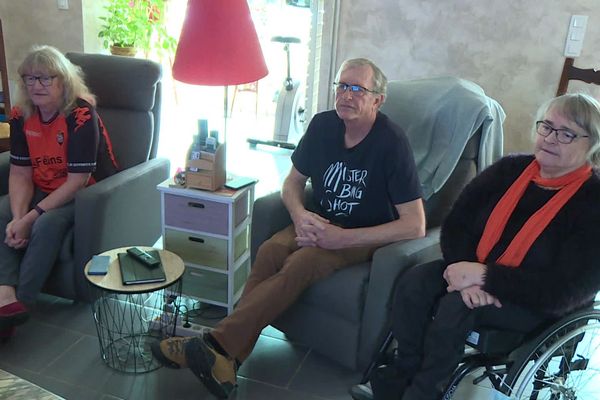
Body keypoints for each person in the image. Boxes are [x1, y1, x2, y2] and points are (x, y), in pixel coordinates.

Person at [151, 58, 427, 398]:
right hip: (317, 220)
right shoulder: (323, 126)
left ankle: (214, 343)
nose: (346, 95)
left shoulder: (391, 143)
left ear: (377, 100)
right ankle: (225, 360)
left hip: (362, 234)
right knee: (270, 251)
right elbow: (292, 183)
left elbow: (415, 225)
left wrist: (341, 238)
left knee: (302, 263)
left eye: (358, 89)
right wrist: (299, 216)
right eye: (341, 86)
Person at [351, 92, 600, 400]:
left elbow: (564, 291)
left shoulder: (593, 201)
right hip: (475, 270)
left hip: (536, 301)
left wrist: (484, 277)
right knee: (415, 283)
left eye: (567, 134)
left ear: (592, 144)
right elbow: (457, 225)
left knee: (457, 307)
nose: (550, 138)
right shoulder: (509, 170)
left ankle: (424, 391)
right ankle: (402, 373)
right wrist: (463, 270)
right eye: (547, 127)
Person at [0, 45, 118, 339]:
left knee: (46, 223)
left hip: (86, 193)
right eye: (29, 79)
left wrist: (29, 219)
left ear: (63, 80)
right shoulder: (19, 115)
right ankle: (5, 297)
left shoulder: (80, 115)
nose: (36, 86)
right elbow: (20, 172)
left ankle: (21, 305)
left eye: (45, 78)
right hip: (45, 186)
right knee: (2, 211)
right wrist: (17, 217)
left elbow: (78, 180)